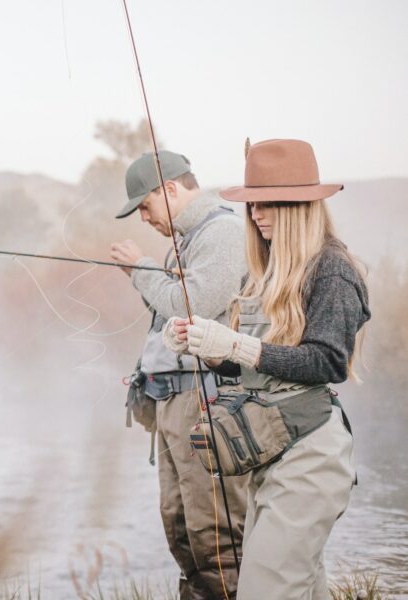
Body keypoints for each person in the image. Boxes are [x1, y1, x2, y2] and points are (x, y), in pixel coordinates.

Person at [166, 138, 370, 599]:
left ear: (300, 205)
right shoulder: (270, 269)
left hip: (312, 458)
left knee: (265, 590)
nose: (255, 213)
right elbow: (257, 372)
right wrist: (208, 348)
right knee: (300, 587)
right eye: (252, 203)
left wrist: (237, 343)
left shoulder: (332, 270)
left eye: (268, 203)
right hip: (273, 453)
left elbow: (326, 362)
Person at [109, 150, 248, 599]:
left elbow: (193, 309)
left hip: (204, 401)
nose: (144, 218)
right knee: (181, 527)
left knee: (215, 536)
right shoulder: (183, 241)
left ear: (170, 189)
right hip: (174, 402)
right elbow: (168, 320)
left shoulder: (223, 233)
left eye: (145, 206)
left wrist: (141, 270)